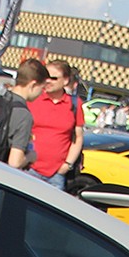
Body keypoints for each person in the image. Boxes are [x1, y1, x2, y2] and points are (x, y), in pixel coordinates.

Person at [27, 59, 85, 188]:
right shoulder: (33, 98)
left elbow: (78, 137)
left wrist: (67, 165)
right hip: (29, 168)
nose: (48, 81)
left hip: (56, 175)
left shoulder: (75, 104)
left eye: (53, 78)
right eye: (45, 76)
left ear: (65, 81)